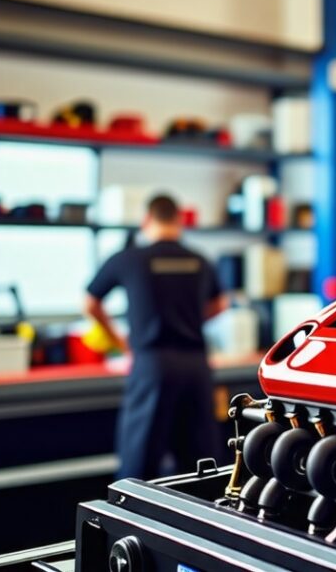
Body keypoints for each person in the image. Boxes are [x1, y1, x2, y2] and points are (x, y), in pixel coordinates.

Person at [85, 193, 229, 480]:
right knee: (201, 466)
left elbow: (90, 303)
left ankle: (131, 524)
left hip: (152, 364)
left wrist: (121, 341)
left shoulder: (129, 258)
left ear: (147, 220)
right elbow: (220, 304)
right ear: (178, 221)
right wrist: (190, 320)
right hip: (196, 366)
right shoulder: (199, 260)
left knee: (139, 464)